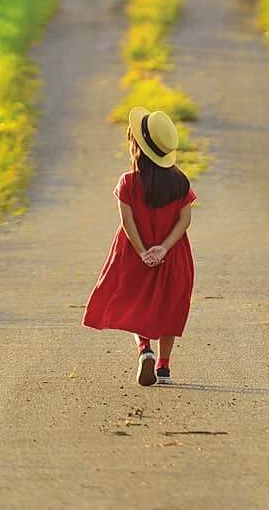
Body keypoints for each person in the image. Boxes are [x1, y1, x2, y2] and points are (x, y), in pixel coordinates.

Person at [83, 107, 196, 387]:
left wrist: (143, 250)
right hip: (173, 255)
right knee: (170, 306)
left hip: (135, 254)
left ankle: (144, 348)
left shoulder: (129, 182)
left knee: (135, 301)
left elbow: (127, 221)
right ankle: (164, 366)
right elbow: (185, 219)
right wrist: (164, 248)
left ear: (138, 147)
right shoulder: (180, 182)